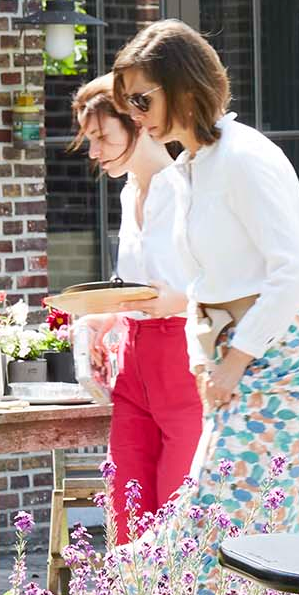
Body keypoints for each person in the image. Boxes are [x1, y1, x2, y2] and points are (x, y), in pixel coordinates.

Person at [113, 21, 299, 595]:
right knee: (282, 524)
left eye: (142, 100)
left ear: (182, 85)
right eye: (129, 104)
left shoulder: (247, 157)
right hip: (230, 359)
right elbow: (200, 281)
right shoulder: (189, 169)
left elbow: (296, 267)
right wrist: (203, 357)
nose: (136, 116)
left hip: (278, 361)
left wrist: (237, 358)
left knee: (218, 516)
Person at [66, 74, 200, 542]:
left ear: (139, 125)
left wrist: (176, 300)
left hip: (183, 362)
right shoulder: (128, 193)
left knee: (177, 517)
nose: (94, 151)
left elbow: (223, 282)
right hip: (133, 365)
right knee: (126, 510)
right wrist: (105, 317)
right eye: (90, 139)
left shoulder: (186, 189)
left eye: (103, 137)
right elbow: (139, 289)